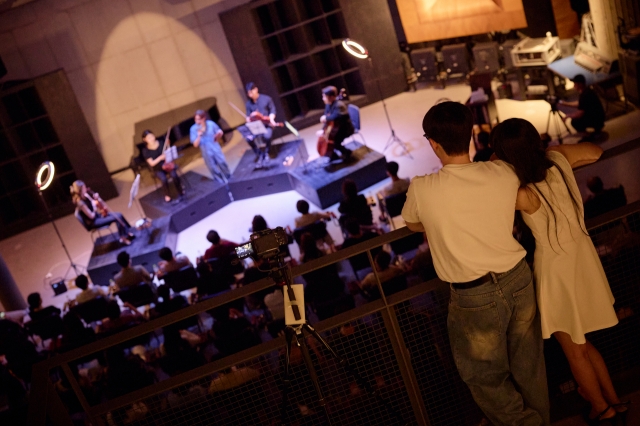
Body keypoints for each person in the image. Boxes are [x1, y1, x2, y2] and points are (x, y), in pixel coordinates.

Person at [401, 102, 549, 425]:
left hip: (474, 297)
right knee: (530, 366)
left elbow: (412, 223)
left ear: (433, 144)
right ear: (470, 136)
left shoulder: (422, 189)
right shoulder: (502, 172)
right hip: (518, 279)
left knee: (483, 377)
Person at [491, 118, 626, 424]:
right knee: (583, 344)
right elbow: (594, 151)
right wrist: (552, 150)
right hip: (583, 260)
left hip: (556, 272)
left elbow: (483, 192)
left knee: (574, 351)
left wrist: (496, 163)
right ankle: (614, 402)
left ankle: (603, 411)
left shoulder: (521, 192)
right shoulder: (558, 161)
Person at [71, 180, 133, 245]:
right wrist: (94, 206)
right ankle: (123, 238)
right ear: (80, 190)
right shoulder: (81, 204)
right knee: (116, 218)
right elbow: (91, 216)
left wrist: (97, 198)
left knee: (119, 214)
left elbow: (96, 204)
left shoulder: (86, 196)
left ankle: (127, 232)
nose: (86, 189)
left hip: (97, 216)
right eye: (84, 188)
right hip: (93, 222)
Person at [237, 82, 277, 164]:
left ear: (256, 90)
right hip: (255, 127)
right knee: (248, 138)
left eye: (251, 92)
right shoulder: (248, 104)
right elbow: (248, 116)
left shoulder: (266, 99)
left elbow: (273, 110)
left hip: (266, 125)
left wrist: (271, 119)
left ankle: (266, 152)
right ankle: (259, 153)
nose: (250, 95)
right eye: (248, 93)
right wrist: (248, 119)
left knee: (267, 136)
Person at [141, 129, 183, 203]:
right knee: (163, 179)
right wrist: (160, 157)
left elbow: (168, 153)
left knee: (174, 175)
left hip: (167, 165)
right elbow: (152, 163)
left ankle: (180, 190)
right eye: (149, 138)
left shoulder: (161, 143)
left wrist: (168, 145)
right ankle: (167, 195)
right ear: (145, 140)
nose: (151, 139)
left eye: (152, 136)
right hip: (157, 168)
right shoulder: (145, 151)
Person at [190, 109, 230, 184]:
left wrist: (219, 134)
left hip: (215, 148)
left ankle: (230, 180)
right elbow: (195, 145)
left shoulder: (211, 124)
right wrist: (199, 136)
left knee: (222, 163)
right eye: (195, 119)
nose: (197, 121)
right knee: (212, 168)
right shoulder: (193, 129)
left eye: (198, 119)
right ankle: (221, 183)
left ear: (203, 118)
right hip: (206, 151)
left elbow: (219, 132)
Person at [559, 74, 605, 139]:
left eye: (575, 83)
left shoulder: (585, 95)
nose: (574, 85)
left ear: (580, 84)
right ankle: (595, 131)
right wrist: (565, 103)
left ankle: (588, 136)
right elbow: (580, 103)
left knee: (575, 122)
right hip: (599, 117)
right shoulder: (587, 91)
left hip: (597, 119)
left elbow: (580, 114)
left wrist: (567, 116)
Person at [317, 86, 354, 161]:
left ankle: (347, 152)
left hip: (345, 129)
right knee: (329, 140)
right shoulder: (328, 105)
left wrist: (325, 118)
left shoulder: (339, 105)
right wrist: (323, 131)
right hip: (336, 129)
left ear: (331, 97)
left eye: (324, 97)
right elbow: (327, 119)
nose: (323, 99)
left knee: (333, 142)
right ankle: (333, 156)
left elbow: (337, 116)